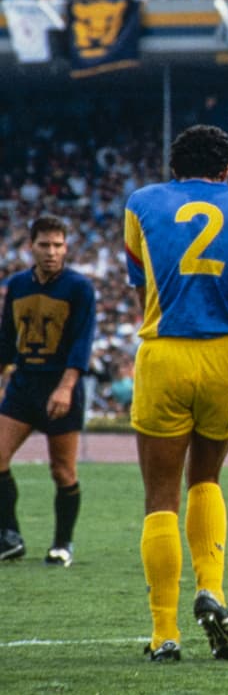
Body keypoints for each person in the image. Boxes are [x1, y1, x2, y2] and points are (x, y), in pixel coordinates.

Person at [123, 125, 228, 662]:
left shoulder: (142, 203)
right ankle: (213, 590)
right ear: (226, 170)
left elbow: (142, 282)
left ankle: (165, 635)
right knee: (206, 479)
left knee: (160, 497)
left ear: (174, 167)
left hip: (165, 352)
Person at [0, 216, 95, 568]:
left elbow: (81, 344)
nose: (51, 252)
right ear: (31, 246)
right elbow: (6, 342)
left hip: (60, 385)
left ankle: (62, 543)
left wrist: (66, 388)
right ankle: (10, 536)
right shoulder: (18, 285)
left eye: (58, 245)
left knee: (62, 471)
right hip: (24, 384)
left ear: (66, 248)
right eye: (44, 245)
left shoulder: (79, 288)